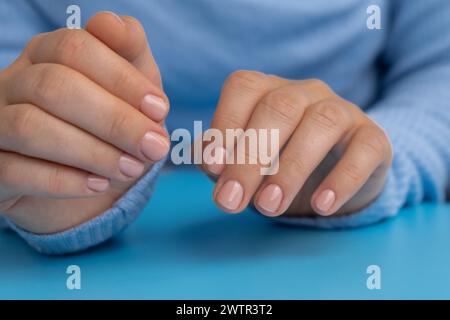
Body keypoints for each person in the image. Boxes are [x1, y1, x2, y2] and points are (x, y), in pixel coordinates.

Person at [0, 0, 449, 254]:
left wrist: (375, 151)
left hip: (358, 238)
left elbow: (439, 67)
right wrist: (32, 160)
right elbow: (12, 81)